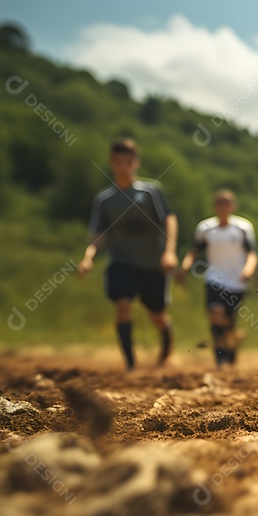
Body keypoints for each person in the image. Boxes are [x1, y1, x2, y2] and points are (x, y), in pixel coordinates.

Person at [77, 138, 178, 370]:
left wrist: (169, 252)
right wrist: (88, 258)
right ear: (112, 162)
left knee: (157, 315)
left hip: (153, 264)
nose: (124, 167)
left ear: (136, 163)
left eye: (128, 162)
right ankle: (130, 365)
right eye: (119, 162)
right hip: (122, 263)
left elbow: (169, 219)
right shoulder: (105, 200)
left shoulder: (151, 191)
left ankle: (166, 347)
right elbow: (99, 235)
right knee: (122, 305)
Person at [178, 189, 258, 368]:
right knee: (215, 313)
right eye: (219, 203)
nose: (223, 207)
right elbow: (194, 250)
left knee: (228, 320)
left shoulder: (243, 227)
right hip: (214, 278)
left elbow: (252, 253)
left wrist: (248, 270)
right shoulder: (205, 228)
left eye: (226, 204)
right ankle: (220, 358)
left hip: (237, 281)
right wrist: (185, 266)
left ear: (233, 206)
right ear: (214, 206)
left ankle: (232, 343)